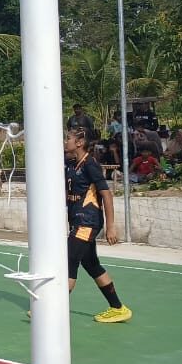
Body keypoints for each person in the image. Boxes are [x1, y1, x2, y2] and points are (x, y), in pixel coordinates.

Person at [62, 129, 131, 323]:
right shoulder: (71, 164)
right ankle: (118, 308)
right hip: (77, 221)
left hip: (88, 221)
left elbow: (106, 195)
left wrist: (111, 226)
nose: (65, 141)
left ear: (79, 142)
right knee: (91, 264)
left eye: (68, 138)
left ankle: (51, 310)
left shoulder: (90, 165)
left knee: (69, 261)